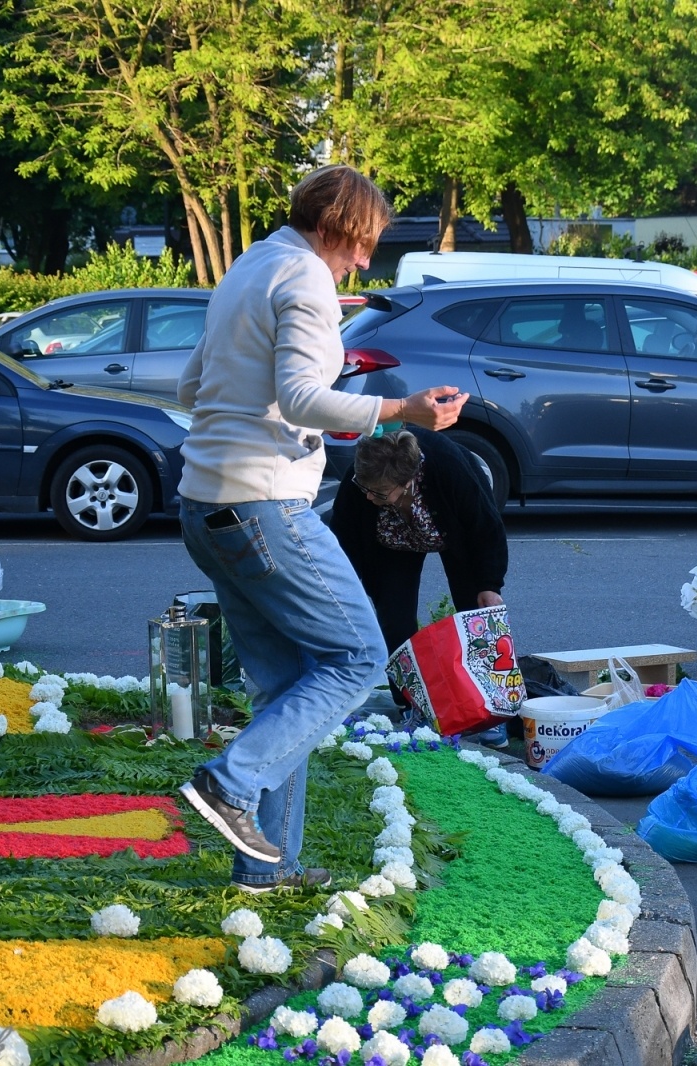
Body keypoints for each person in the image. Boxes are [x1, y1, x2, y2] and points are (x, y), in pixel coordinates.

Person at [174, 164, 467, 893]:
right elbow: (303, 398)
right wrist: (403, 411)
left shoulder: (250, 267)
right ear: (335, 226)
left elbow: (190, 387)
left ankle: (268, 872)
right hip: (262, 507)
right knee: (357, 659)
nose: (364, 262)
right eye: (362, 242)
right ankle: (230, 783)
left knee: (284, 693)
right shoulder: (304, 279)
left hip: (205, 503)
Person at [332, 427, 507, 656]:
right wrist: (344, 590)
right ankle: (408, 690)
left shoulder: (448, 466)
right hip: (392, 544)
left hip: (454, 535)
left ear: (406, 482)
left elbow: (485, 527)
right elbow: (344, 540)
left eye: (380, 492)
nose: (369, 496)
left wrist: (489, 585)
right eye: (366, 489)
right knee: (395, 625)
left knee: (477, 616)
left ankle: (487, 687)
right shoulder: (361, 480)